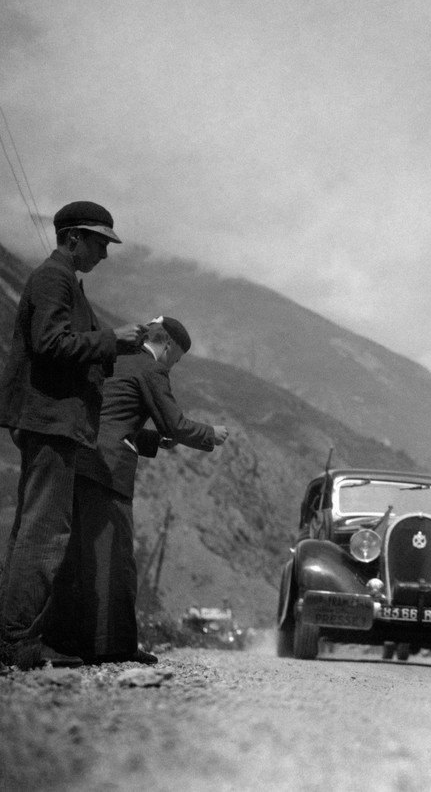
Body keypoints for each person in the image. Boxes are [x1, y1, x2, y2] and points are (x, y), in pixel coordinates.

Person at [0, 201, 145, 669]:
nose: (104, 252)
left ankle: (19, 637)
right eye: (101, 242)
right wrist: (112, 341)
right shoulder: (54, 278)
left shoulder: (63, 280)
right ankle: (16, 642)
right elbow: (50, 343)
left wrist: (109, 349)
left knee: (35, 528)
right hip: (51, 422)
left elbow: (61, 344)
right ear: (74, 237)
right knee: (45, 531)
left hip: (55, 423)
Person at [52, 316, 228, 665]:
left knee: (79, 557)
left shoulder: (117, 360)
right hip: (108, 470)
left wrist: (150, 439)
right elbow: (175, 424)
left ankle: (68, 641)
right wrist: (212, 434)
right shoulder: (152, 369)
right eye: (175, 359)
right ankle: (113, 647)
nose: (172, 366)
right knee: (114, 560)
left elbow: (112, 417)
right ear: (168, 346)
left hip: (80, 459)